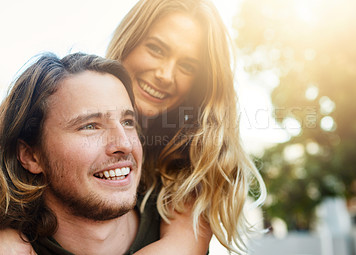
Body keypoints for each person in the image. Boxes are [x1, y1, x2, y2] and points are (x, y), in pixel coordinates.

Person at [1, 0, 266, 254]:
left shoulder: (191, 165)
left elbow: (181, 246)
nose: (165, 74)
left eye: (187, 66)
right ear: (129, 42)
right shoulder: (61, 91)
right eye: (157, 49)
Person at [0, 52, 164, 254]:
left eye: (128, 122)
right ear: (31, 156)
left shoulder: (180, 222)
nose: (124, 144)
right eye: (90, 126)